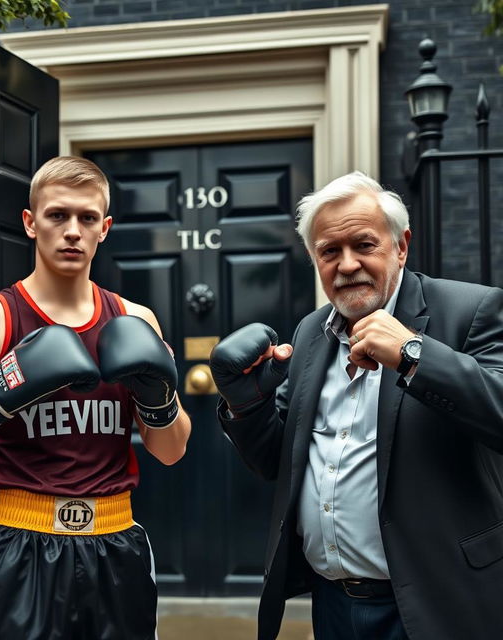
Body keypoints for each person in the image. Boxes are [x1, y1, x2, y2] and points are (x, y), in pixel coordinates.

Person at [0, 156, 191, 640]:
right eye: (57, 215)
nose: (72, 230)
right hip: (18, 547)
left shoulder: (135, 321)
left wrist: (157, 397)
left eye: (87, 218)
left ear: (105, 228)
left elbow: (172, 450)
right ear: (31, 223)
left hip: (117, 545)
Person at [209, 171, 503, 640]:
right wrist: (245, 404)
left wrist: (413, 355)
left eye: (364, 245)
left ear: (400, 246)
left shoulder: (470, 311)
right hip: (332, 605)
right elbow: (275, 463)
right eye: (329, 251)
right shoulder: (311, 331)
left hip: (437, 602)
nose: (347, 265)